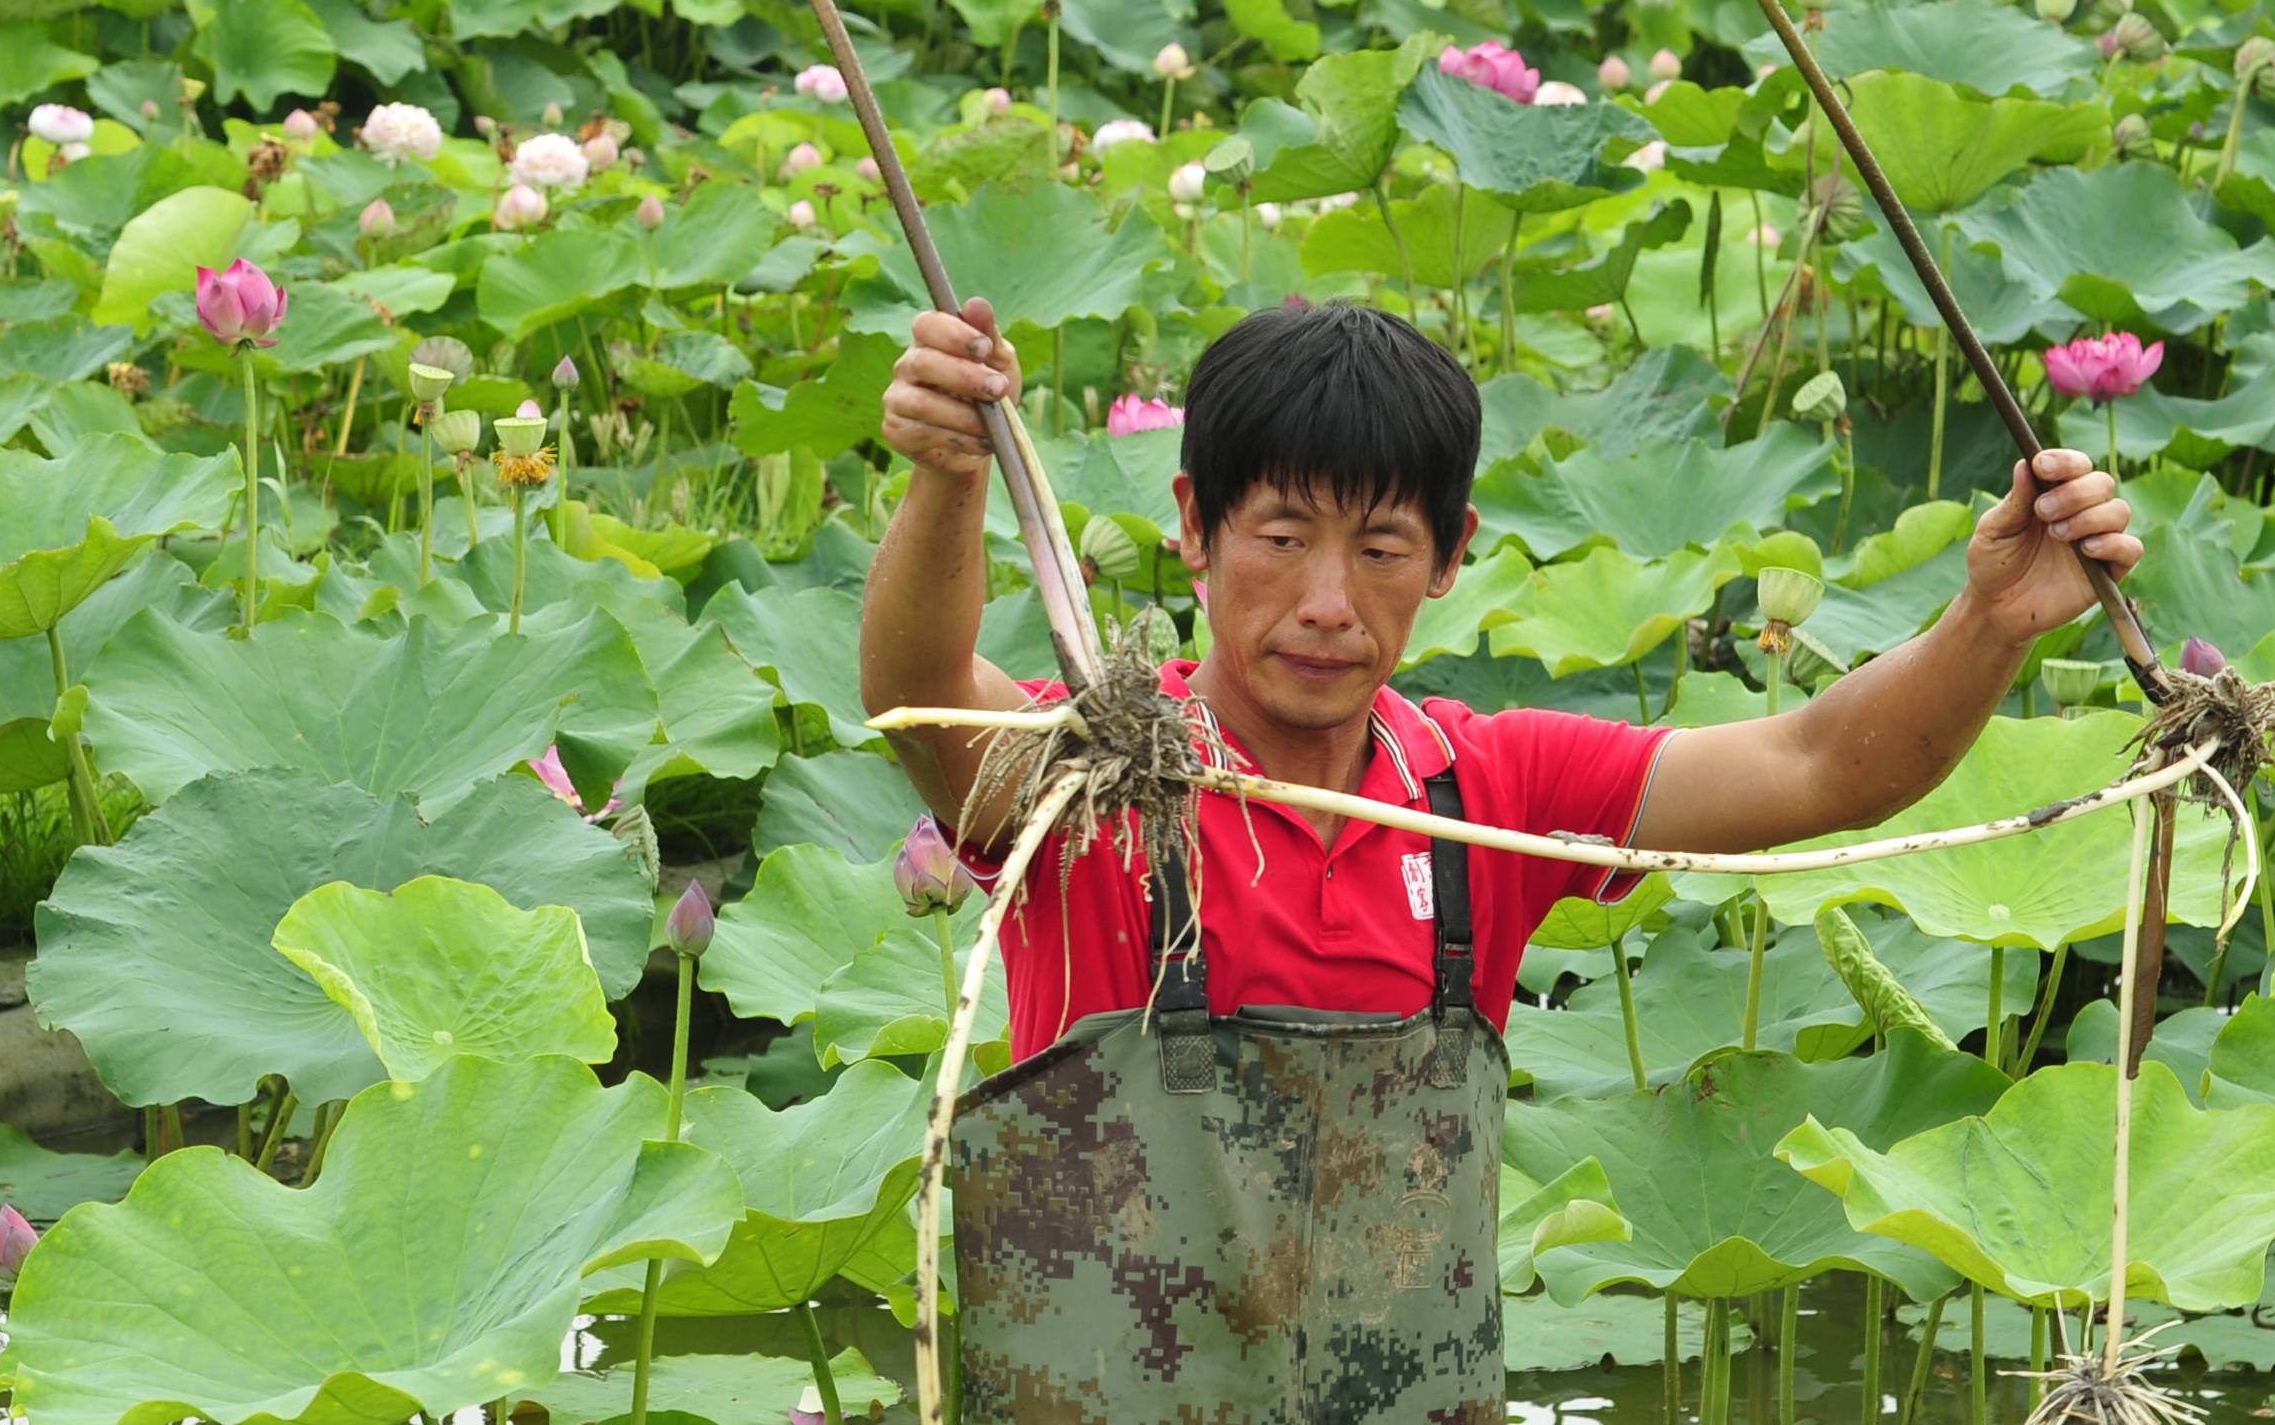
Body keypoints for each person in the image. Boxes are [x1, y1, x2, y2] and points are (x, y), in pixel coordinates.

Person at [865, 295, 2142, 1424]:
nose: (1326, 599)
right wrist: (946, 479)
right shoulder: (1087, 780)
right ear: (1194, 525)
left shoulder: (1490, 792)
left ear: (1453, 550)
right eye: (1280, 536)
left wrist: (1987, 621)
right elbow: (916, 689)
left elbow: (1823, 766)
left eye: (1379, 548)